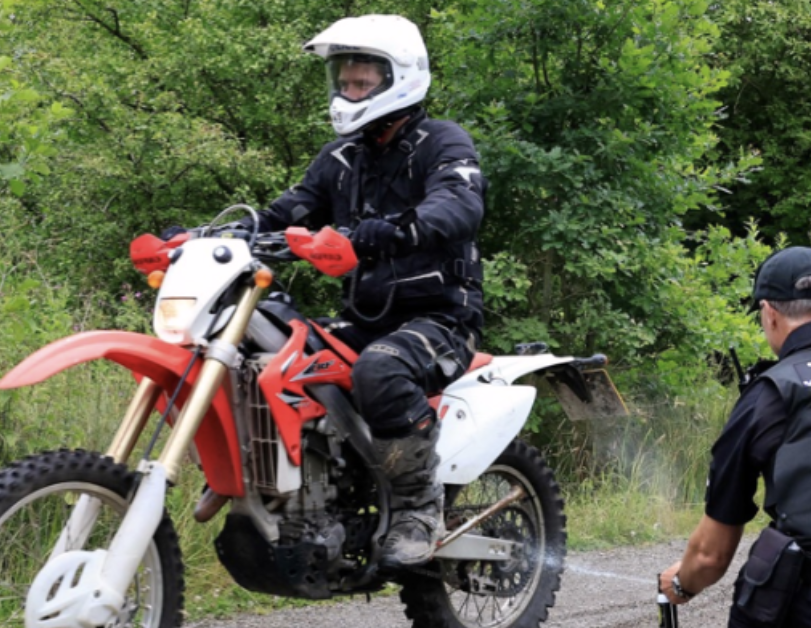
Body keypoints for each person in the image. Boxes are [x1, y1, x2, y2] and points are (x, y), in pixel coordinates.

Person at [200, 14, 482, 570]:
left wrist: (391, 232)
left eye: (361, 83)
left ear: (398, 77)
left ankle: (417, 507)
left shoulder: (441, 143)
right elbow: (286, 212)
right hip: (365, 317)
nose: (349, 92)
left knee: (378, 369)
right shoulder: (341, 159)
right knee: (263, 353)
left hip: (439, 320)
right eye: (344, 82)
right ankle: (268, 481)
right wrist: (208, 236)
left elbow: (460, 203)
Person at [659, 246, 811, 627]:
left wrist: (681, 583)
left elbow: (711, 556)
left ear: (770, 314)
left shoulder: (770, 397)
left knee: (773, 564)